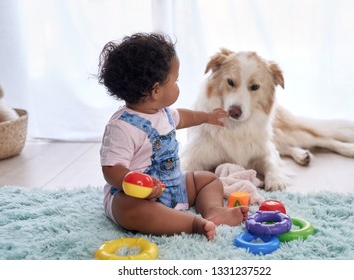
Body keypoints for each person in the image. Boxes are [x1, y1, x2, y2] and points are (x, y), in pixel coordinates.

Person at [98, 32, 249, 241]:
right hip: (137, 196)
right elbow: (111, 169)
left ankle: (213, 210)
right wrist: (140, 183)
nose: (178, 84)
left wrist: (207, 116)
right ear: (156, 90)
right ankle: (192, 224)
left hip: (173, 185)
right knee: (131, 210)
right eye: (176, 80)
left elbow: (185, 118)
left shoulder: (163, 113)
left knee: (208, 180)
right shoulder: (122, 127)